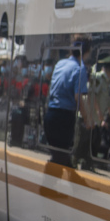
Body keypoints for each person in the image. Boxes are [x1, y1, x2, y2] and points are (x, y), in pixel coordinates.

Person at [43, 37, 91, 165]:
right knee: (62, 160)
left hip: (50, 116)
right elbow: (78, 97)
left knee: (57, 159)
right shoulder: (80, 69)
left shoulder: (60, 63)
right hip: (63, 120)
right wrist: (86, 119)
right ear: (86, 53)